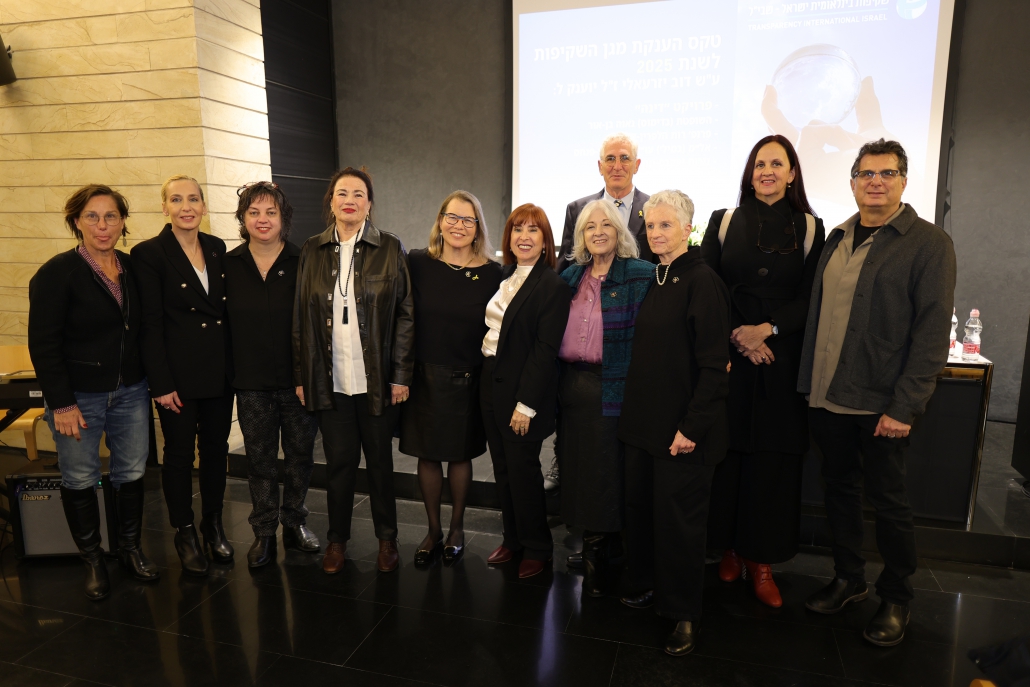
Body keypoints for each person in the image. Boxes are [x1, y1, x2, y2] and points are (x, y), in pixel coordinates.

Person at [798, 139, 956, 647]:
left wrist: (904, 406)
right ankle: (849, 579)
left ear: (904, 181)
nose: (876, 182)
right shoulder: (837, 236)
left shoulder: (929, 243)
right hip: (827, 395)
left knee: (889, 502)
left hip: (881, 403)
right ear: (852, 182)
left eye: (887, 173)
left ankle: (896, 597)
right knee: (839, 491)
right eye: (866, 173)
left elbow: (931, 332)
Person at [701, 135, 826, 608]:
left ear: (792, 173)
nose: (767, 171)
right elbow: (708, 287)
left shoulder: (811, 227)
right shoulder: (723, 220)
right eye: (759, 164)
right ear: (749, 173)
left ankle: (763, 561)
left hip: (781, 357)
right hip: (732, 354)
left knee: (773, 463)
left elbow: (811, 296)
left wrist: (767, 330)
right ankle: (729, 548)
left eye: (777, 164)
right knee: (728, 456)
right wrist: (740, 336)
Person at [28, 185, 159, 600]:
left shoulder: (132, 267)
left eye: (111, 216)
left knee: (131, 472)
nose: (102, 225)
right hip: (78, 398)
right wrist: (61, 403)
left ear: (122, 223)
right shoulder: (56, 273)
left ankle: (129, 549)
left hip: (131, 391)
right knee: (81, 476)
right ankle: (93, 559)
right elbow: (44, 345)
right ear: (76, 222)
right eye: (92, 216)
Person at [618, 190, 731, 657]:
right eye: (650, 225)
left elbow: (715, 367)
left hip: (683, 433)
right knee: (644, 514)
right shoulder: (657, 276)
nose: (656, 233)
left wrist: (691, 429)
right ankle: (649, 586)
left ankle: (684, 613)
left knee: (680, 526)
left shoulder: (702, 281)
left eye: (666, 225)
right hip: (645, 427)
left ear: (688, 229)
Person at [293, 167, 414, 575]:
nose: (350, 200)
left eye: (359, 194)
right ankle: (337, 541)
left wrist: (400, 375)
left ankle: (387, 539)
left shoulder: (390, 247)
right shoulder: (312, 249)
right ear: (331, 201)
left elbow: (406, 315)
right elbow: (300, 318)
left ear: (369, 204)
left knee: (380, 465)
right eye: (342, 193)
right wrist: (302, 376)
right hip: (331, 381)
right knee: (339, 466)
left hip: (376, 380)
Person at [132, 175, 235, 576]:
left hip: (218, 372)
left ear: (204, 206)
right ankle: (185, 531)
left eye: (193, 199)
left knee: (215, 451)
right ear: (165, 208)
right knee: (178, 456)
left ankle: (213, 523)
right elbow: (150, 324)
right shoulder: (149, 253)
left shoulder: (217, 246)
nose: (186, 207)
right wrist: (160, 383)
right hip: (176, 378)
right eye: (176, 200)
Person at [400, 191, 503, 565]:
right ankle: (433, 530)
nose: (459, 226)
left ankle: (456, 529)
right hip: (423, 376)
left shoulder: (493, 273)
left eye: (468, 220)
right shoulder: (417, 263)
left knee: (460, 457)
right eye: (452, 217)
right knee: (427, 457)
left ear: (478, 227)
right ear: (440, 221)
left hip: (468, 378)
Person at [557, 199, 653, 596]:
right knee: (578, 474)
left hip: (613, 389)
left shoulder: (640, 274)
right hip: (571, 390)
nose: (598, 231)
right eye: (589, 226)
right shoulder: (569, 276)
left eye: (606, 225)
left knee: (606, 477)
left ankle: (602, 560)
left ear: (619, 231)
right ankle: (596, 548)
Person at [224, 182, 320, 568]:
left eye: (271, 212)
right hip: (251, 382)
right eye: (254, 212)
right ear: (243, 218)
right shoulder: (228, 265)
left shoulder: (304, 261)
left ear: (284, 218)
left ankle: (294, 523)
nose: (262, 220)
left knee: (300, 457)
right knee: (260, 460)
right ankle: (264, 531)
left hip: (299, 382)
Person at [550, 132, 651, 491]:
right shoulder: (578, 208)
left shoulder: (654, 209)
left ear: (637, 165)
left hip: (625, 345)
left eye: (624, 158)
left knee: (612, 462)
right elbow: (566, 266)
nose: (617, 165)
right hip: (577, 367)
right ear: (599, 166)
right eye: (610, 158)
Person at [480, 204, 571, 579]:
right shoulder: (504, 276)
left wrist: (526, 405)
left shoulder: (553, 285)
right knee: (503, 469)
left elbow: (545, 351)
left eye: (533, 230)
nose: (524, 236)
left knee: (524, 473)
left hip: (523, 393)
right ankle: (513, 539)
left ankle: (537, 547)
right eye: (518, 229)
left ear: (546, 241)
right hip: (491, 383)